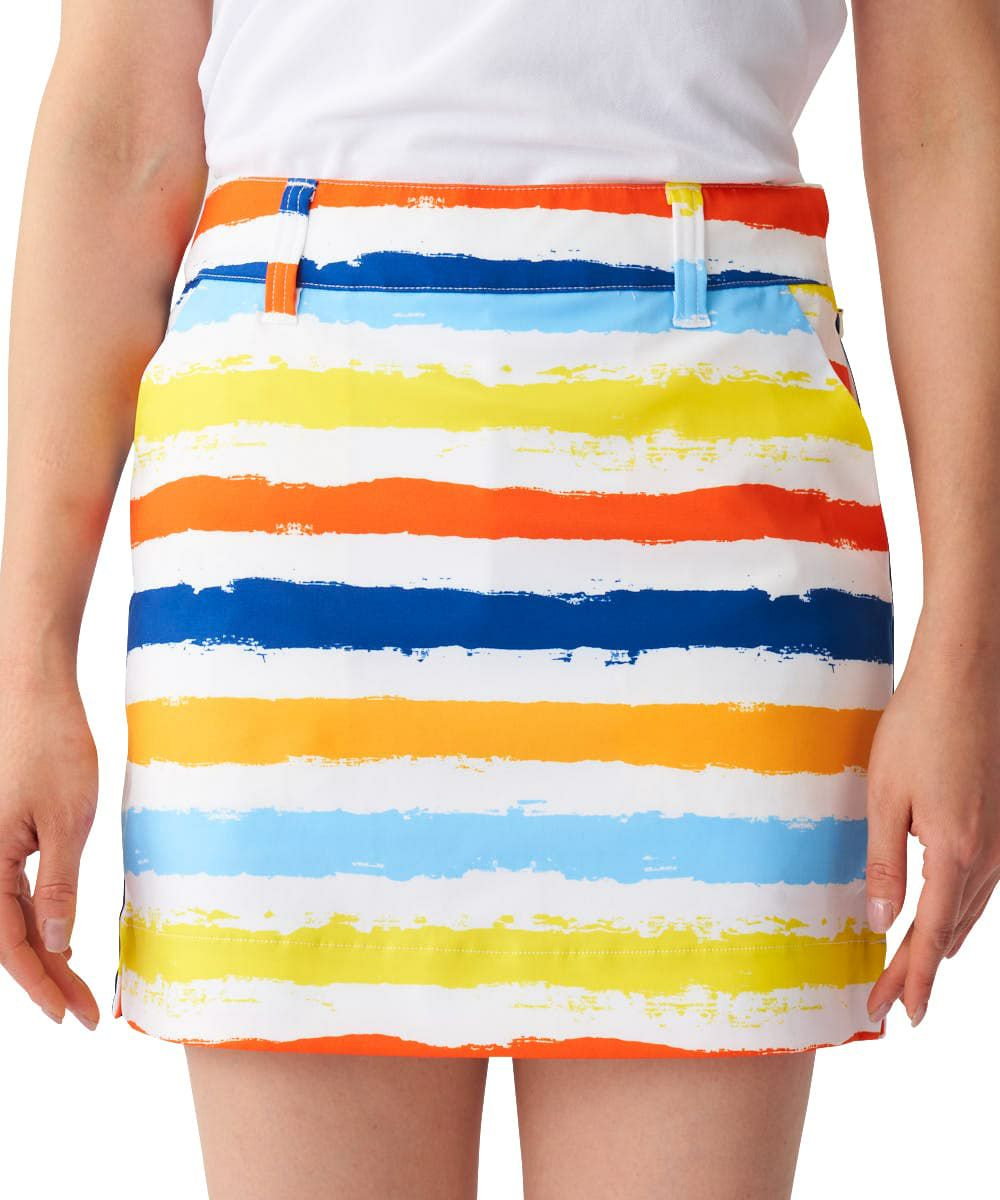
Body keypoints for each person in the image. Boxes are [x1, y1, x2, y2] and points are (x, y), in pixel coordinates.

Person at [1, 2, 998, 1198]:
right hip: (289, 516)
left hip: (713, 505)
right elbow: (119, 132)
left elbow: (944, 113)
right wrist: (25, 660)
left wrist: (969, 650)